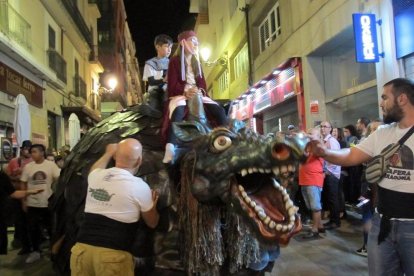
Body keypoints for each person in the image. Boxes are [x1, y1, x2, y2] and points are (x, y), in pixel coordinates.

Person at [308, 78, 414, 275]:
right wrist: (324, 153)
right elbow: (352, 155)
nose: (380, 103)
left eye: (384, 97)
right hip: (382, 223)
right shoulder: (383, 133)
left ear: (402, 99)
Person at [70, 139, 159, 276]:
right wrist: (152, 206)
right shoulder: (139, 186)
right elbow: (152, 223)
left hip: (81, 252)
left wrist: (108, 153)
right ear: (139, 160)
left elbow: (94, 169)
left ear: (115, 156)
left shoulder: (96, 176)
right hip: (112, 258)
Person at [162, 30, 228, 163]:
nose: (196, 45)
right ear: (184, 42)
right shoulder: (174, 62)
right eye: (193, 41)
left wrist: (199, 90)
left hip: (197, 93)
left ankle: (228, 138)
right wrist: (185, 92)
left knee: (219, 110)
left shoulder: (196, 62)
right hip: (181, 94)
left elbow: (202, 83)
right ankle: (170, 146)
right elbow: (172, 85)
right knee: (178, 112)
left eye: (197, 42)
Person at [20, 144, 61, 263]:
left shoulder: (50, 165)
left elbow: (59, 179)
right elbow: (23, 183)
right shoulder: (28, 167)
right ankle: (35, 252)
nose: (32, 154)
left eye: (34, 152)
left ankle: (53, 251)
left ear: (42, 152)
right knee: (33, 229)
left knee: (51, 228)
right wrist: (24, 200)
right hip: (32, 204)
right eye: (31, 152)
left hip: (47, 203)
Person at [5, 140, 33, 255]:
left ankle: (34, 244)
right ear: (22, 149)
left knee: (31, 221)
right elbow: (7, 178)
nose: (28, 151)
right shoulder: (13, 162)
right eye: (26, 148)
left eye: (30, 149)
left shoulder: (32, 163)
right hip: (16, 195)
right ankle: (24, 245)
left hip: (30, 194)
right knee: (19, 221)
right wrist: (15, 176)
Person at [300, 127, 325, 239]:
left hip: (313, 179)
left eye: (311, 134)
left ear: (319, 136)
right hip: (305, 179)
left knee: (315, 206)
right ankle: (319, 225)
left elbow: (319, 148)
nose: (308, 135)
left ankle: (314, 229)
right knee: (311, 205)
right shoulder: (308, 146)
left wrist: (310, 137)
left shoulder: (319, 146)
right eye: (308, 133)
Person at [141, 34, 173, 118]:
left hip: (169, 90)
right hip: (155, 90)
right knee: (154, 94)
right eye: (166, 46)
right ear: (158, 47)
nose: (169, 50)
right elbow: (151, 82)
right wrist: (163, 80)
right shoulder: (150, 63)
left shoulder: (173, 63)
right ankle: (153, 110)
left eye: (171, 47)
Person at [319, 121, 342, 230]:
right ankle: (332, 219)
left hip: (331, 174)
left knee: (333, 199)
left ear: (330, 129)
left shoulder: (332, 141)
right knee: (329, 198)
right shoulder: (324, 140)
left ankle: (335, 221)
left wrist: (327, 172)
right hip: (327, 173)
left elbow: (336, 158)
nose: (323, 128)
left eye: (325, 127)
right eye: (321, 126)